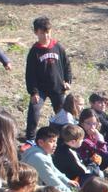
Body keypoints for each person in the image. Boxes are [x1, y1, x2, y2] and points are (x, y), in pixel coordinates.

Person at [24, 16, 72, 144]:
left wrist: (67, 81)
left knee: (63, 113)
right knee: (34, 110)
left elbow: (67, 65)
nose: (46, 36)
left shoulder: (58, 47)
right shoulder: (34, 51)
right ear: (36, 33)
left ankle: (65, 137)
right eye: (42, 33)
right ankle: (30, 138)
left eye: (48, 32)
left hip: (57, 86)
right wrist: (33, 92)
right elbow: (30, 73)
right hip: (40, 88)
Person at [20, 125, 76, 192]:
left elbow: (54, 170)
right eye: (51, 141)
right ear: (40, 142)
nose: (55, 145)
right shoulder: (39, 158)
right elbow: (52, 181)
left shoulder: (42, 151)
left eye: (55, 142)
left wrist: (66, 180)